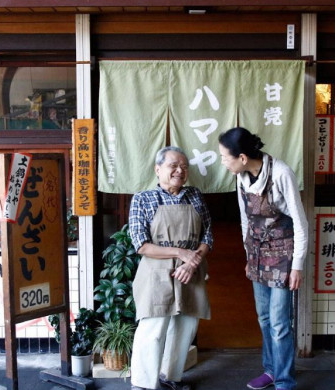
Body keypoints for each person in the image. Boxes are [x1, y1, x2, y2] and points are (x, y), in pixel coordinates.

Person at [218, 127, 308, 390]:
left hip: (282, 255)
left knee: (280, 323)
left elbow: (300, 224)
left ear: (242, 157)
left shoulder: (281, 173)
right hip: (257, 253)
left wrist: (297, 266)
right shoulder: (241, 177)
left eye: (225, 157)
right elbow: (246, 219)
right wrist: (249, 256)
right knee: (264, 318)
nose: (223, 161)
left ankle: (284, 382)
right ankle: (270, 370)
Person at [128, 146, 213, 390]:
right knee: (153, 329)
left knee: (185, 327)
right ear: (158, 169)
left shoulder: (195, 195)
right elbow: (141, 245)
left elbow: (208, 236)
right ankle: (143, 384)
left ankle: (171, 378)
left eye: (184, 167)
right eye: (173, 166)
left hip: (191, 271)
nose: (179, 171)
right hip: (156, 273)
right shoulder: (143, 199)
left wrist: (191, 261)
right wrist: (181, 253)